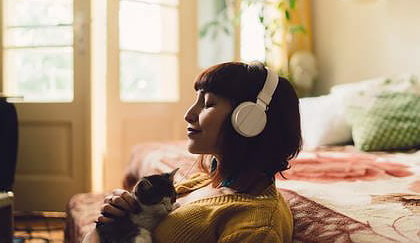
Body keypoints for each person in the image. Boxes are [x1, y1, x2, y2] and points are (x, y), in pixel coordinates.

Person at [84, 61, 302, 242]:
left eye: (207, 104)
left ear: (249, 120)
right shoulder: (204, 181)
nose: (189, 114)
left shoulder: (257, 227)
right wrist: (124, 212)